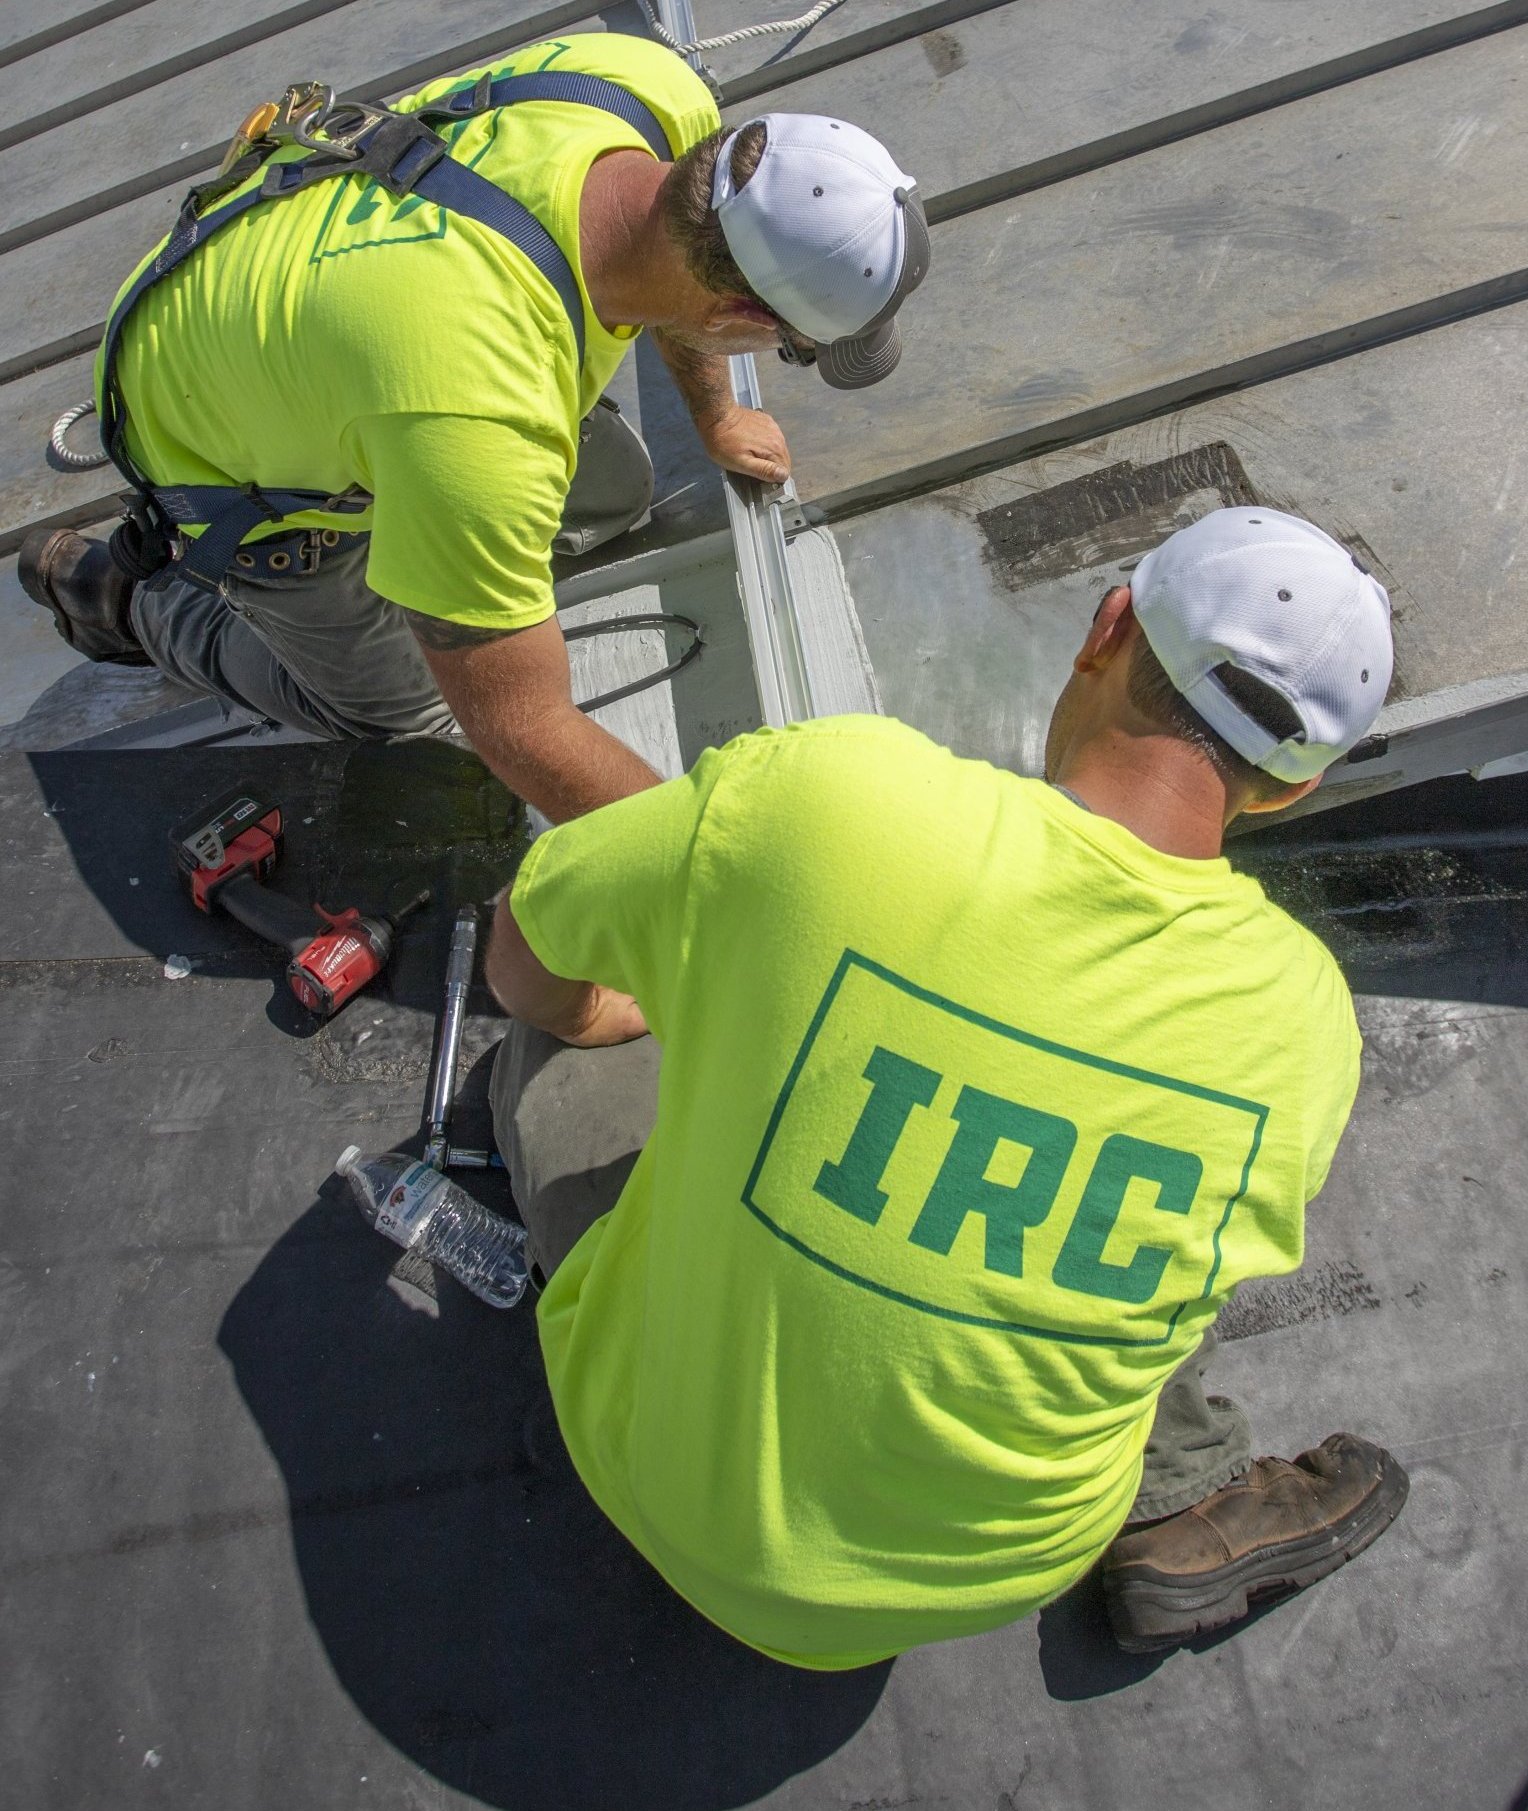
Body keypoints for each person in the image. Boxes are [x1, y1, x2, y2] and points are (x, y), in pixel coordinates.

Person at [484, 505, 1408, 1667]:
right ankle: (1177, 1501)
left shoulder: (829, 791)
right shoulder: (1303, 1022)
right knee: (1141, 1213)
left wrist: (641, 1003)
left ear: (1104, 628)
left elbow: (523, 953)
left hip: (647, 1470)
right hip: (980, 1575)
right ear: (1294, 788)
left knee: (545, 1039)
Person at [19, 34, 928, 823]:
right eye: (788, 348)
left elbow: (688, 254)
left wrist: (717, 415)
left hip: (287, 296)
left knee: (616, 494)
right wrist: (708, 874)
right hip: (211, 443)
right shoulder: (482, 422)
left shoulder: (647, 87)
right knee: (401, 716)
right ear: (742, 318)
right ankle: (124, 597)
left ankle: (398, 493)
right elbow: (524, 731)